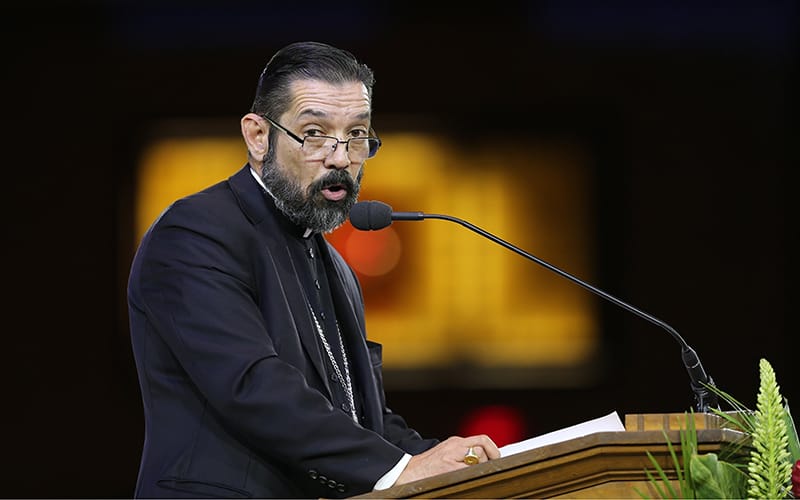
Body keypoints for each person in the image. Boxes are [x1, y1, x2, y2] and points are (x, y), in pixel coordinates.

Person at [127, 40, 500, 499]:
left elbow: (362, 417)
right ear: (258, 135)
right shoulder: (196, 233)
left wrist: (449, 462)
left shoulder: (336, 266)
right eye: (315, 133)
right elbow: (252, 385)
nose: (340, 158)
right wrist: (401, 468)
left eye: (357, 134)